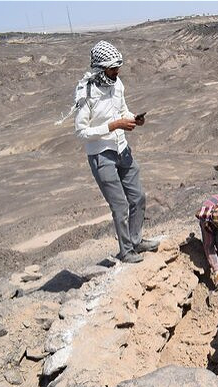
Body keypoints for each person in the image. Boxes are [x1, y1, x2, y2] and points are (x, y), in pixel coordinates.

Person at [67, 40, 159, 263]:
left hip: (122, 149)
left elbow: (122, 109)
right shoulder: (85, 93)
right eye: (112, 68)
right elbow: (81, 132)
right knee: (120, 206)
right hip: (101, 155)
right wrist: (114, 126)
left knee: (138, 198)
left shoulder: (117, 84)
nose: (117, 72)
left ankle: (136, 241)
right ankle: (126, 251)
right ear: (100, 68)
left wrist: (134, 119)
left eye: (118, 68)